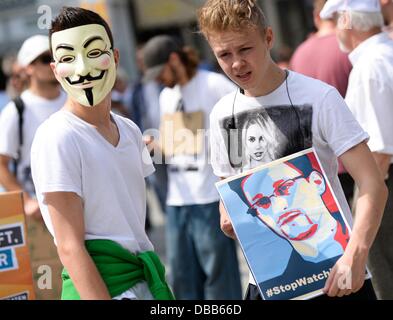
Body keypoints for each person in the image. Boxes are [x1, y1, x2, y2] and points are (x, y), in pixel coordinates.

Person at [198, 0, 387, 300]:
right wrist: (227, 216)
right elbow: (229, 184)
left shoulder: (320, 97)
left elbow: (372, 184)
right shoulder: (223, 114)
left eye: (245, 49)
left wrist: (356, 253)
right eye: (224, 54)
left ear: (269, 38)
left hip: (338, 277)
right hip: (269, 284)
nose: (236, 64)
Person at [30, 6, 173, 300]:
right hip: (100, 288)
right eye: (68, 58)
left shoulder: (130, 130)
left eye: (94, 53)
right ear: (56, 70)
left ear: (116, 57)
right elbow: (69, 246)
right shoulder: (57, 136)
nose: (83, 68)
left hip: (144, 280)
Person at [142, 35, 242, 299]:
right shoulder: (166, 95)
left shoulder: (214, 85)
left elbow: (240, 127)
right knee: (183, 278)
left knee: (220, 277)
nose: (157, 79)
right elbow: (179, 143)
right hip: (178, 198)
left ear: (174, 59)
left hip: (210, 196)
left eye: (159, 71)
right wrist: (155, 144)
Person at [321, 0, 393, 300]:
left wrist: (361, 211)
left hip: (384, 188)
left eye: (337, 19)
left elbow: (379, 154)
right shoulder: (384, 54)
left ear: (347, 19)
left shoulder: (370, 65)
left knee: (385, 281)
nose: (336, 28)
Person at [290, 0, 355, 206]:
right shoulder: (349, 47)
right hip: (354, 156)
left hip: (318, 163)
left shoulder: (299, 53)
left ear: (316, 17)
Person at [0, 35, 66, 219]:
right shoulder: (16, 110)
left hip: (81, 206)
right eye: (46, 59)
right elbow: (1, 164)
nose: (54, 63)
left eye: (58, 56)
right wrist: (27, 200)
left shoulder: (75, 100)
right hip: (41, 215)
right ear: (29, 68)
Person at [241, 156, 347, 263]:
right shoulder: (275, 277)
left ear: (316, 182)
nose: (278, 208)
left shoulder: (358, 237)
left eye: (284, 187)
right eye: (262, 202)